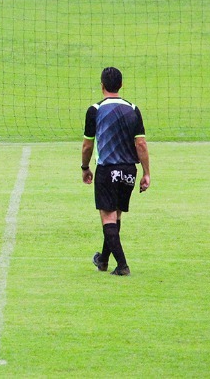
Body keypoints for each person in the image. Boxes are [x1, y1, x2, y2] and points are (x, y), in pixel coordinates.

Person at [81, 67, 151, 276]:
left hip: (107, 170)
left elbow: (87, 146)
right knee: (115, 216)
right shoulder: (133, 109)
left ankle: (122, 266)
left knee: (108, 218)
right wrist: (146, 172)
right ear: (121, 86)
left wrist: (85, 168)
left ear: (102, 85)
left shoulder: (95, 110)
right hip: (129, 171)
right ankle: (103, 260)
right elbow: (141, 145)